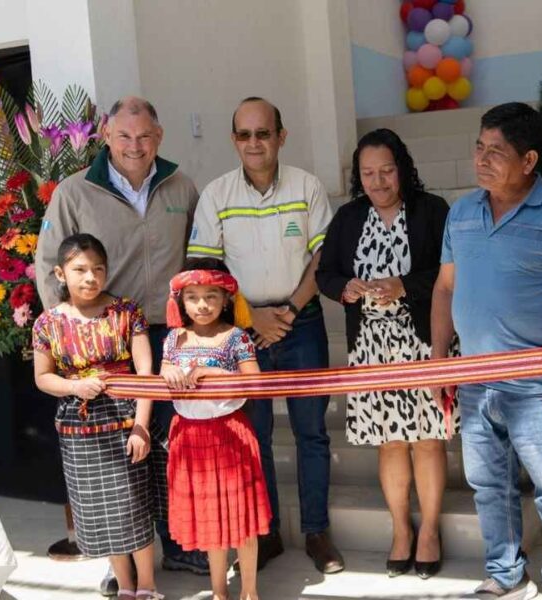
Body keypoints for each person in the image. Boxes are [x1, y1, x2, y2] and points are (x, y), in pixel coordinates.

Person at [431, 102, 542, 600]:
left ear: (528, 161)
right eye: (479, 148)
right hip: (476, 378)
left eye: (496, 152)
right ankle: (505, 574)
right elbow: (444, 289)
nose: (481, 160)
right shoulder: (461, 212)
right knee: (489, 485)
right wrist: (442, 358)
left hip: (538, 381)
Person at [35, 96, 206, 590]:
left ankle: (176, 547)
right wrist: (66, 340)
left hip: (170, 335)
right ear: (105, 136)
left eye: (145, 135)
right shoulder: (73, 192)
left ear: (160, 136)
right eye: (125, 136)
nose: (136, 145)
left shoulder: (181, 186)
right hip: (105, 344)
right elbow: (50, 264)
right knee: (115, 462)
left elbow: (199, 257)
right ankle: (123, 566)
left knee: (168, 444)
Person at [187, 96, 343, 573]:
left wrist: (289, 310)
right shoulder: (216, 195)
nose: (254, 143)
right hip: (241, 331)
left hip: (303, 323)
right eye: (244, 134)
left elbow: (325, 258)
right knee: (254, 435)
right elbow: (204, 269)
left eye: (263, 133)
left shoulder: (307, 186)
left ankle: (317, 532)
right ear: (234, 139)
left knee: (311, 432)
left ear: (281, 135)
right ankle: (267, 532)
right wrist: (251, 316)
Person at [316, 129, 453, 579]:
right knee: (389, 441)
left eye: (386, 170)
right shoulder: (350, 216)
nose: (377, 181)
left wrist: (403, 285)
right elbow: (326, 274)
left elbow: (449, 272)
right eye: (368, 173)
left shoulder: (432, 211)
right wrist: (346, 288)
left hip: (421, 340)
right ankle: (401, 530)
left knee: (427, 440)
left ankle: (429, 531)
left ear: (403, 167)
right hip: (370, 347)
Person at [32, 234, 162, 600]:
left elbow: (145, 372)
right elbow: (43, 378)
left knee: (132, 504)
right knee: (99, 509)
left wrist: (141, 425)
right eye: (80, 270)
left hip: (125, 420)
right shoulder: (47, 323)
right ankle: (125, 586)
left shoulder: (126, 312)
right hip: (79, 429)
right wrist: (75, 387)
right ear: (60, 273)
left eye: (98, 269)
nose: (90, 278)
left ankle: (148, 585)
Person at [160, 259, 270, 600]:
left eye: (211, 296)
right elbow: (164, 373)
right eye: (192, 297)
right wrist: (169, 374)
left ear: (226, 299)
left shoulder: (236, 337)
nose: (202, 304)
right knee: (210, 520)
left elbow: (254, 384)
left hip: (230, 435)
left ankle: (249, 591)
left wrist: (215, 376)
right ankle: (219, 592)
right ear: (180, 302)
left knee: (243, 520)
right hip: (190, 437)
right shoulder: (174, 339)